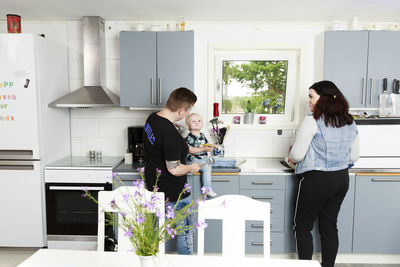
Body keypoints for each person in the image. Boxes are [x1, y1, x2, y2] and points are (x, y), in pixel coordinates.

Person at [287, 80, 359, 267]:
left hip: (316, 180)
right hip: (341, 179)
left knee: (302, 227)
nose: (308, 100)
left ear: (324, 98)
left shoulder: (312, 120)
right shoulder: (349, 120)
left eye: (311, 96)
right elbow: (354, 155)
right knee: (329, 227)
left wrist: (291, 160)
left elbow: (297, 154)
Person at [144, 87, 201, 255]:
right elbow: (175, 169)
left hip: (155, 189)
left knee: (155, 234)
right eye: (189, 109)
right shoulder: (169, 133)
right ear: (181, 110)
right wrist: (192, 167)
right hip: (174, 193)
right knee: (185, 232)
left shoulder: (153, 118)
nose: (189, 113)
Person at [185, 113, 246, 197]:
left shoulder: (202, 135)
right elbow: (190, 150)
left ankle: (233, 163)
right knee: (209, 163)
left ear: (202, 124)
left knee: (211, 162)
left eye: (199, 121)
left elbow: (206, 144)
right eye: (193, 121)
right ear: (188, 126)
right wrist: (204, 149)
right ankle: (207, 189)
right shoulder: (189, 137)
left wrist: (212, 146)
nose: (197, 122)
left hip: (203, 159)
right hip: (194, 161)